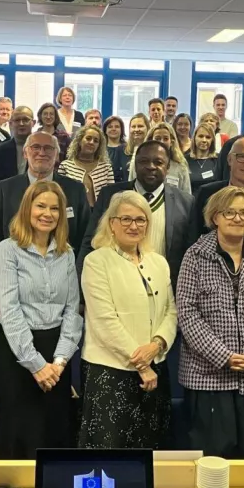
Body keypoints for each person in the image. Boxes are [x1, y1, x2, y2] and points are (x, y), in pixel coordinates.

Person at [176, 186, 244, 458]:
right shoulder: (195, 257)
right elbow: (187, 313)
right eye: (230, 213)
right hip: (209, 379)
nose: (238, 219)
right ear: (215, 217)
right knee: (214, 460)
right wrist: (223, 356)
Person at [0, 180, 82, 458]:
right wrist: (36, 364)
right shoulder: (8, 250)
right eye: (41, 205)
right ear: (27, 208)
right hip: (18, 354)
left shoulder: (67, 253)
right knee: (19, 434)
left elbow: (72, 310)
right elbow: (9, 311)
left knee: (54, 432)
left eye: (55, 208)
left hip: (57, 356)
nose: (48, 213)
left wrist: (59, 362)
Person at [79, 191, 176, 448]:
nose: (134, 226)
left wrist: (156, 345)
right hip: (111, 372)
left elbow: (171, 312)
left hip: (156, 370)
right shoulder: (96, 261)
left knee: (149, 449)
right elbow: (104, 320)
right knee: (108, 455)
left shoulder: (159, 262)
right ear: (111, 223)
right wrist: (142, 364)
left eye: (141, 219)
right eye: (126, 219)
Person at [80, 140, 194, 286]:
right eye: (144, 161)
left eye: (158, 162)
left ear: (168, 166)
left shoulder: (186, 203)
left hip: (165, 288)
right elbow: (90, 242)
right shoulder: (110, 195)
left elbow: (190, 255)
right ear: (135, 165)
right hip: (115, 285)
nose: (151, 167)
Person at [0, 132, 90, 251]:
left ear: (56, 155)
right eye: (35, 147)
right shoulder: (5, 188)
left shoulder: (75, 190)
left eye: (48, 148)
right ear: (25, 153)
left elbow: (85, 234)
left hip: (64, 263)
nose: (42, 153)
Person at [0, 106, 35, 203]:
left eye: (26, 120)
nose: (21, 123)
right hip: (8, 203)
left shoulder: (41, 149)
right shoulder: (0, 151)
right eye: (17, 120)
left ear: (33, 123)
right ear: (10, 123)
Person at [129, 122, 193, 197]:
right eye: (157, 138)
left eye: (165, 138)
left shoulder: (180, 166)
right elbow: (131, 190)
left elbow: (186, 195)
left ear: (171, 142)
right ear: (150, 140)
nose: (161, 142)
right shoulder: (138, 163)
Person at [58, 124, 114, 207]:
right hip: (74, 214)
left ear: (99, 146)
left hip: (100, 215)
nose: (92, 142)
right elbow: (59, 194)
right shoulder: (65, 166)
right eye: (88, 138)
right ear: (79, 141)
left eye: (96, 141)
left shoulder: (106, 168)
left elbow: (111, 196)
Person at [186, 123, 219, 194]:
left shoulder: (218, 160)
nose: (204, 140)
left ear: (212, 140)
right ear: (194, 138)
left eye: (208, 137)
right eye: (200, 136)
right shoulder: (184, 160)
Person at [104, 116, 129, 183]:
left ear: (122, 130)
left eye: (117, 127)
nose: (113, 129)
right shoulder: (100, 149)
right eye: (110, 127)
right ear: (105, 130)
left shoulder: (128, 149)